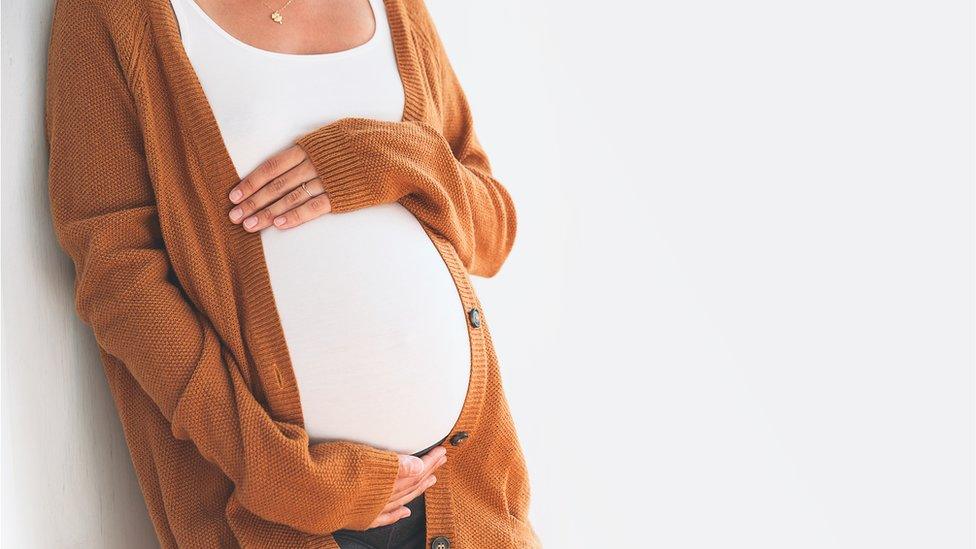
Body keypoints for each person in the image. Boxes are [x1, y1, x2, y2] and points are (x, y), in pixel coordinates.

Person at [44, 0, 542, 547]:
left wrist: (390, 158)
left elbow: (494, 231)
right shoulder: (116, 14)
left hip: (463, 486)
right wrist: (282, 477)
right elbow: (117, 277)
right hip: (279, 511)